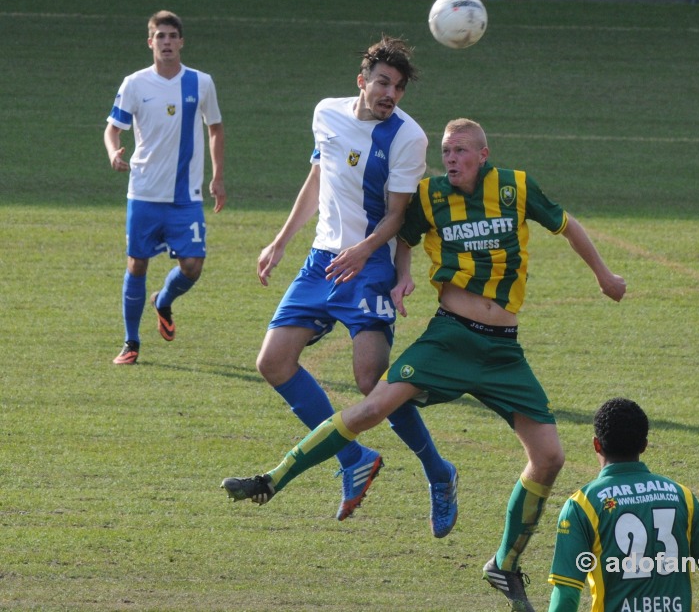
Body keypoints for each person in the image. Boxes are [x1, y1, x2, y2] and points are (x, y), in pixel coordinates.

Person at [222, 118, 626, 609]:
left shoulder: (516, 187)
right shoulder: (430, 196)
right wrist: (402, 276)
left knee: (550, 457)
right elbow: (403, 235)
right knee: (372, 406)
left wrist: (604, 275)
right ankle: (270, 480)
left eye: (460, 151)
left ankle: (504, 565)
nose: (451, 159)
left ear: (483, 153)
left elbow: (567, 226)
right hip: (449, 339)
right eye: (446, 151)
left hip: (503, 350)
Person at [252, 35, 457, 533]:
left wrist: (366, 253)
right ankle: (353, 459)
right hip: (323, 258)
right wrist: (281, 240)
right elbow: (318, 176)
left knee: (372, 382)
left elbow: (397, 216)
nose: (390, 93)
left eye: (399, 87)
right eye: (383, 82)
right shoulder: (326, 113)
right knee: (273, 362)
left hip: (369, 265)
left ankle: (439, 473)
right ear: (361, 82)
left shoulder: (408, 138)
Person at [104, 10, 226, 365]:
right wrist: (113, 153)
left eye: (172, 35)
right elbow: (113, 128)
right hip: (143, 192)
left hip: (186, 196)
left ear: (182, 42)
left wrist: (217, 177)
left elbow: (215, 127)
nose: (167, 42)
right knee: (137, 263)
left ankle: (164, 301)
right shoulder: (135, 84)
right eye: (160, 36)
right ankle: (131, 342)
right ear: (150, 42)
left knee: (193, 266)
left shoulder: (201, 83)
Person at [547, 397, 699, 612]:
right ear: (644, 445)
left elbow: (567, 592)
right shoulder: (681, 496)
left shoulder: (582, 505)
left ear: (596, 444)